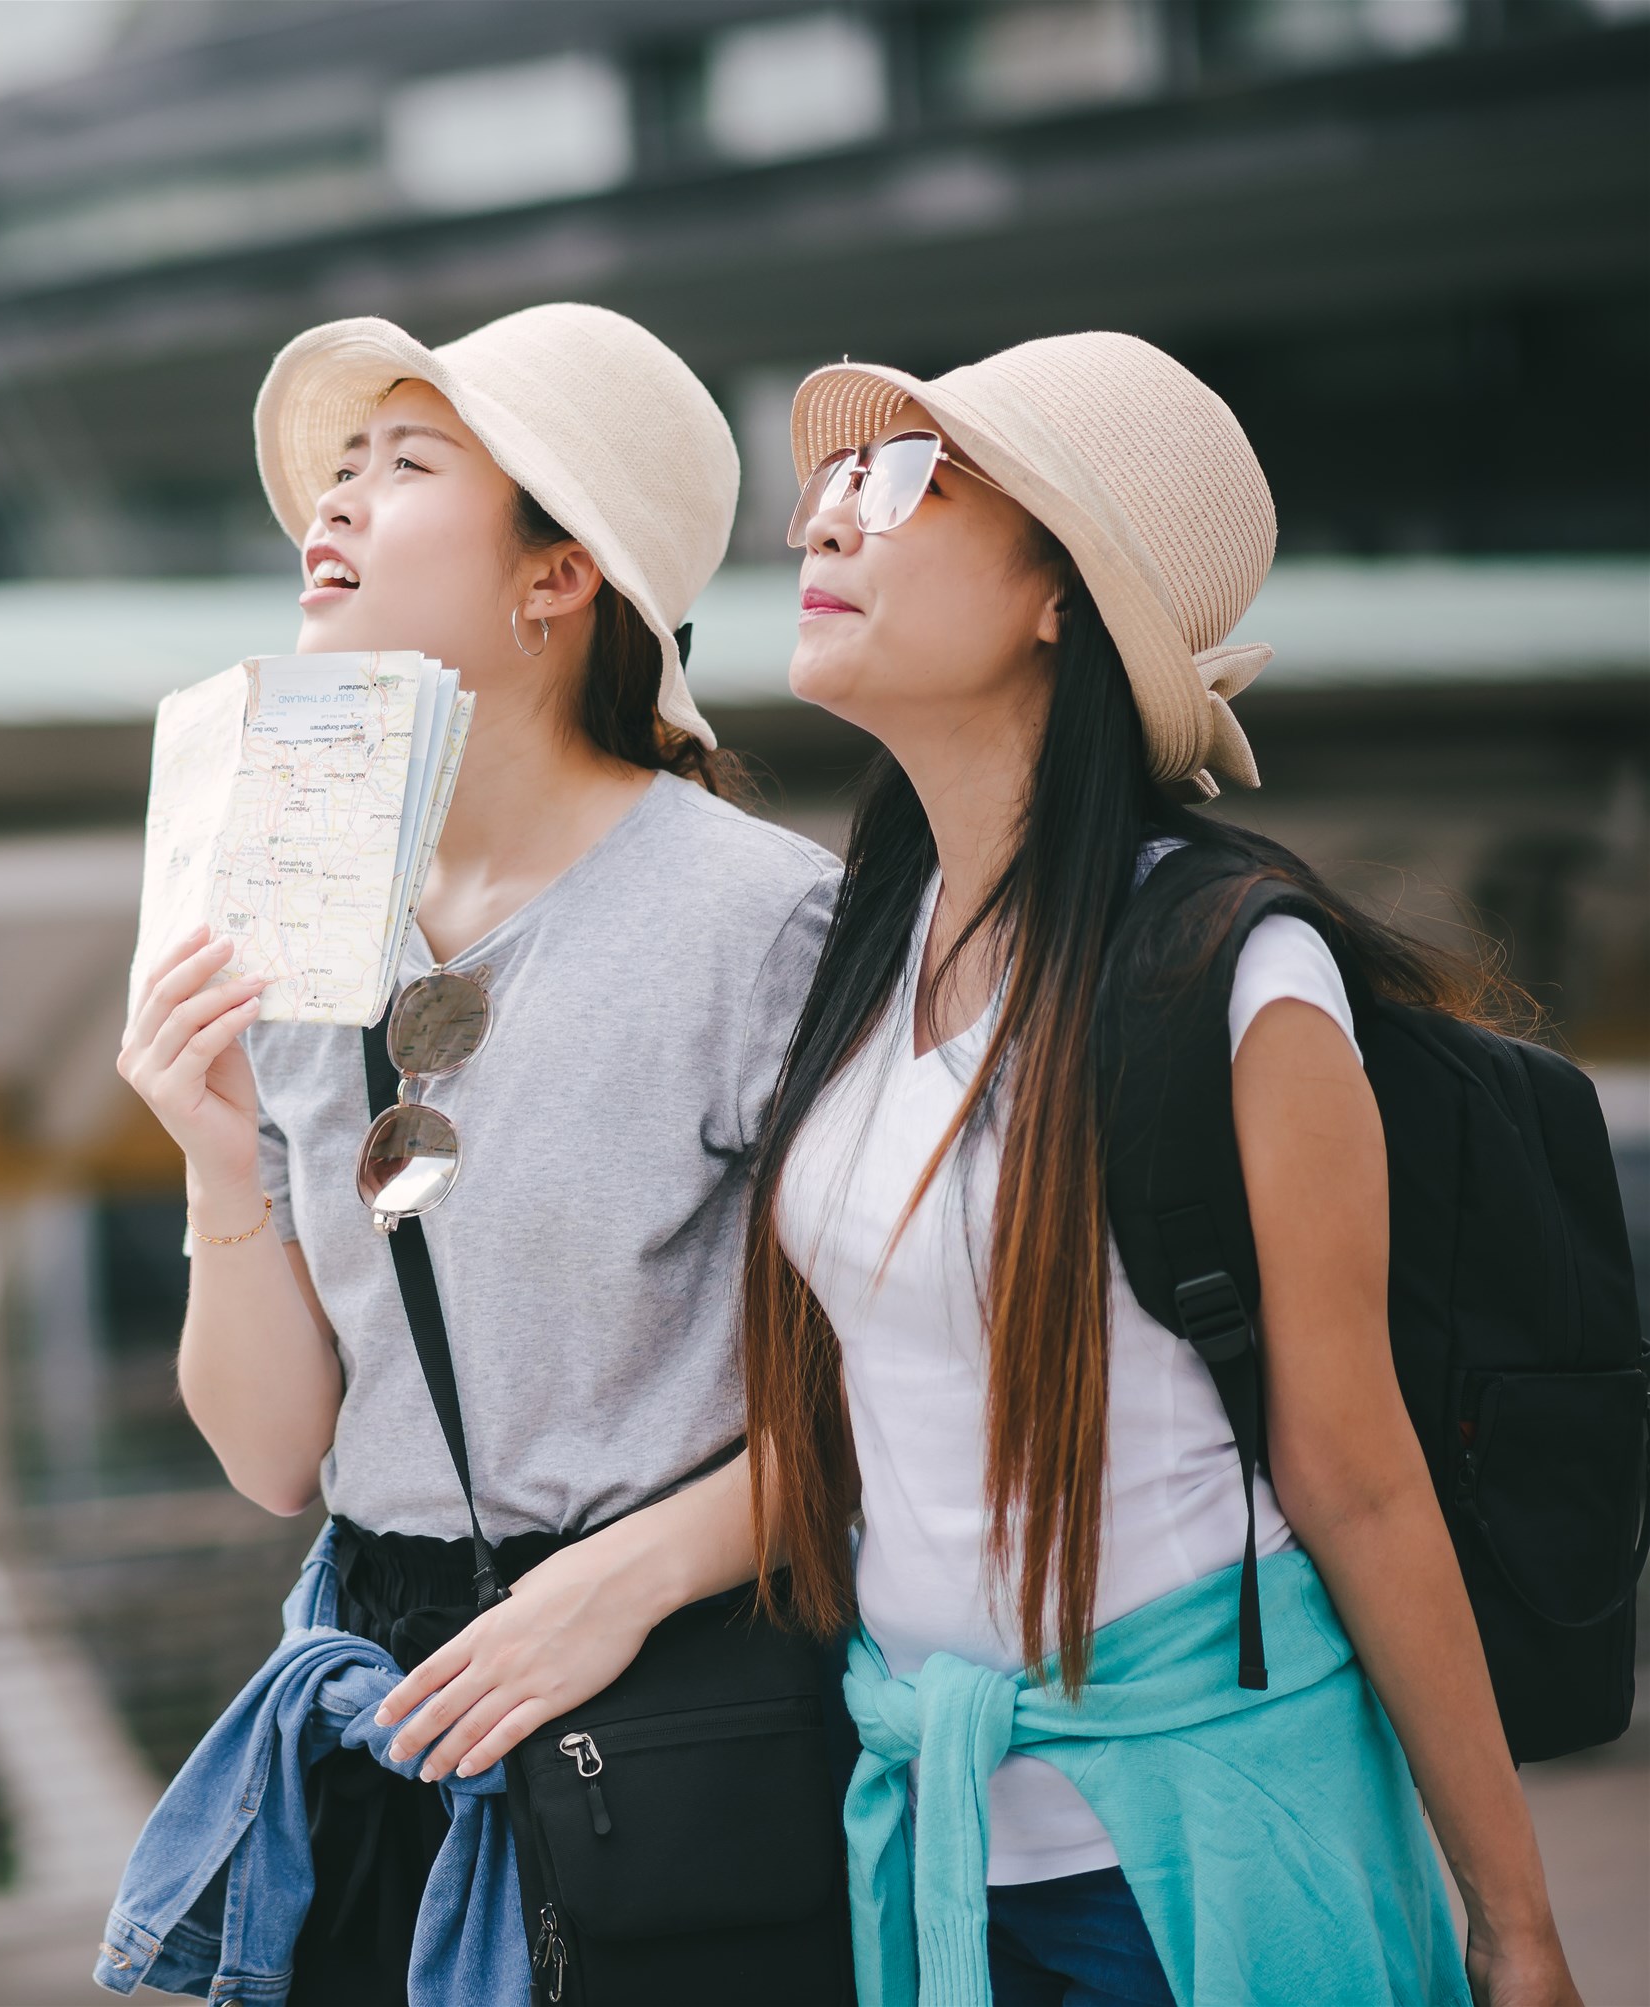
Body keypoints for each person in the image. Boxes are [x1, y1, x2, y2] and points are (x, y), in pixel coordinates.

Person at [741, 330, 1582, 2006]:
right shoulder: (865, 947)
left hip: (1199, 1846)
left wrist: (1517, 1928)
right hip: (938, 1834)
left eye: (905, 478)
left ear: (1067, 597)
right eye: (834, 476)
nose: (826, 520)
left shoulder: (1231, 976)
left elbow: (1355, 1472)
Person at [116, 302, 839, 2001]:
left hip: (664, 1727)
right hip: (381, 1726)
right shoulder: (297, 915)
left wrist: (620, 1588)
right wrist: (219, 1160)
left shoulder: (761, 917)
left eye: (406, 462)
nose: (339, 504)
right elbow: (278, 1456)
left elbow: (911, 1395)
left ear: (556, 577)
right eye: (339, 467)